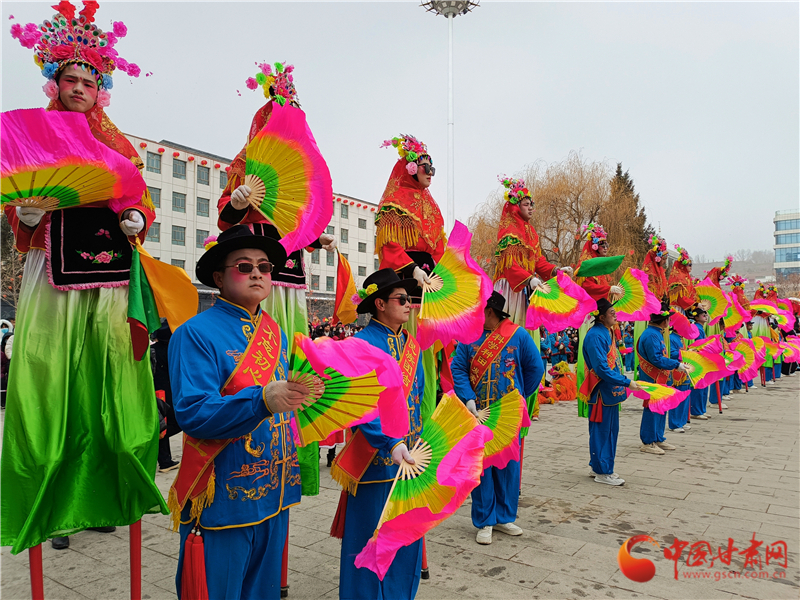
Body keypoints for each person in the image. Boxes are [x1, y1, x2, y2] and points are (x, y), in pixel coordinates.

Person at [2, 3, 167, 555]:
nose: (79, 88)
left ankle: (102, 492)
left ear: (102, 90)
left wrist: (138, 215)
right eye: (70, 78)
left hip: (111, 273)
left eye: (89, 81)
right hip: (54, 270)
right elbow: (17, 198)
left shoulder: (117, 143)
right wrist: (25, 214)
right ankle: (53, 502)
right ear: (54, 82)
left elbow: (138, 195)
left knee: (108, 382)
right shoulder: (36, 135)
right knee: (53, 378)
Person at [216, 61, 335, 498]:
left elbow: (302, 221)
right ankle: (251, 433)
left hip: (290, 272)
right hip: (256, 268)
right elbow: (224, 217)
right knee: (252, 349)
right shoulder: (246, 163)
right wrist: (237, 201)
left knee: (293, 350)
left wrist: (317, 237)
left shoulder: (301, 170)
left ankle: (294, 454)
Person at [168, 225, 307, 599]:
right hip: (225, 498)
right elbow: (194, 413)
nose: (257, 273)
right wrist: (261, 400)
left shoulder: (275, 331)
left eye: (264, 266)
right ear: (219, 277)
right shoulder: (194, 333)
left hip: (276, 493)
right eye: (244, 266)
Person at [333, 269, 424, 600]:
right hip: (373, 459)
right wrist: (390, 442)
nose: (409, 304)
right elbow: (358, 407)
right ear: (380, 304)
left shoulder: (412, 346)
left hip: (410, 458)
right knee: (368, 537)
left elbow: (420, 398)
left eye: (410, 299)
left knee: (405, 536)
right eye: (402, 299)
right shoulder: (359, 345)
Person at [450, 291, 543, 545]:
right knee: (481, 467)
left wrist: (518, 395)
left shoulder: (518, 335)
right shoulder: (469, 336)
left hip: (508, 415)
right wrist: (468, 398)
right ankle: (485, 520)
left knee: (508, 467)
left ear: (489, 312)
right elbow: (458, 368)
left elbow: (536, 369)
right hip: (478, 414)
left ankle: (504, 517)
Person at [375, 134, 445, 426]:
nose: (431, 173)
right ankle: (400, 415)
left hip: (429, 288)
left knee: (428, 354)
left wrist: (443, 272)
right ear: (412, 168)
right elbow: (390, 246)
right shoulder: (395, 201)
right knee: (406, 349)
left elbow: (438, 248)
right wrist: (413, 268)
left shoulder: (432, 206)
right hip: (406, 282)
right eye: (427, 167)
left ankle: (426, 416)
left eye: (433, 168)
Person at [493, 176, 572, 424]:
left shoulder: (531, 232)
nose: (531, 207)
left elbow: (539, 262)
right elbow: (510, 267)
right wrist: (529, 279)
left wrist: (556, 271)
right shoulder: (508, 231)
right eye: (526, 203)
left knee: (529, 345)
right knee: (510, 343)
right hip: (511, 290)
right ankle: (507, 398)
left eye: (532, 203)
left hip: (527, 288)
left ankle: (529, 403)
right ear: (515, 206)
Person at [582, 299, 640, 485]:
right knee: (603, 432)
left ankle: (598, 465)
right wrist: (627, 382)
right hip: (601, 392)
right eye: (612, 313)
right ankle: (603, 471)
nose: (615, 316)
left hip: (610, 391)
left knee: (610, 431)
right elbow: (601, 368)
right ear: (601, 317)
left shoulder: (607, 332)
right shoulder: (595, 336)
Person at [575, 223, 624, 418]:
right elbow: (585, 288)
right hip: (591, 316)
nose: (606, 247)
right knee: (595, 355)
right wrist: (608, 289)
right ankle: (591, 395)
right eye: (602, 243)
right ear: (594, 244)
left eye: (607, 244)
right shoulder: (586, 265)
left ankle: (611, 390)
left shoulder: (602, 268)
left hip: (604, 317)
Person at [637, 303, 690, 455]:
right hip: (653, 378)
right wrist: (676, 364)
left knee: (660, 408)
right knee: (652, 409)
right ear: (664, 321)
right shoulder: (651, 335)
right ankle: (648, 441)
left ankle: (658, 437)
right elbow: (656, 359)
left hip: (660, 378)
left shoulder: (656, 333)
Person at [687, 305, 711, 420]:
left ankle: (701, 409)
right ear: (696, 317)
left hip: (703, 358)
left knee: (704, 386)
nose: (705, 316)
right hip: (698, 359)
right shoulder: (696, 327)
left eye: (705, 314)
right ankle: (696, 411)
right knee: (699, 386)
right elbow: (699, 345)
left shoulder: (701, 327)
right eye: (702, 314)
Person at [667, 324, 692, 433]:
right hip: (676, 372)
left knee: (685, 397)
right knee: (677, 397)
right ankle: (675, 423)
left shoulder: (681, 338)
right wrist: (686, 353)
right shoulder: (671, 338)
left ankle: (682, 421)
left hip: (684, 372)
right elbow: (671, 353)